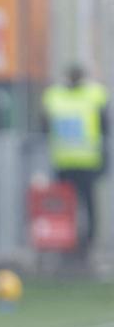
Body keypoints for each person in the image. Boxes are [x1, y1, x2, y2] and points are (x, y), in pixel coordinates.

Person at [41, 65, 108, 255]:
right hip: (64, 162)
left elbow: (104, 127)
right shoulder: (55, 95)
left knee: (87, 206)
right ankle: (66, 243)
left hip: (86, 162)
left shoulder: (94, 94)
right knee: (65, 206)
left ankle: (88, 245)